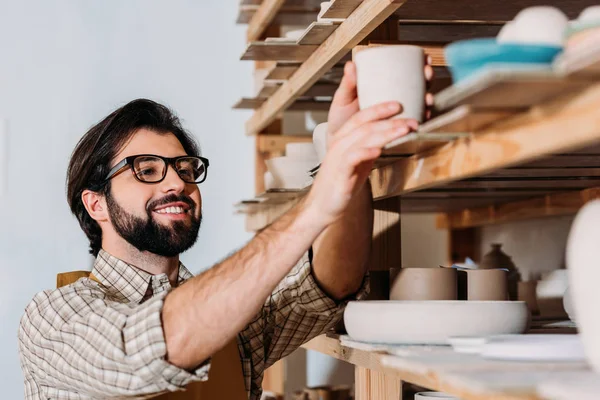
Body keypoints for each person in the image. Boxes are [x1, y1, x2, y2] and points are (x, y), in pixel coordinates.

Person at [18, 61, 430, 399]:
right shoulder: (53, 318)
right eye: (146, 170)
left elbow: (327, 289)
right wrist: (314, 206)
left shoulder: (232, 317)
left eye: (184, 169)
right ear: (96, 204)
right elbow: (141, 352)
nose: (176, 183)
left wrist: (348, 166)